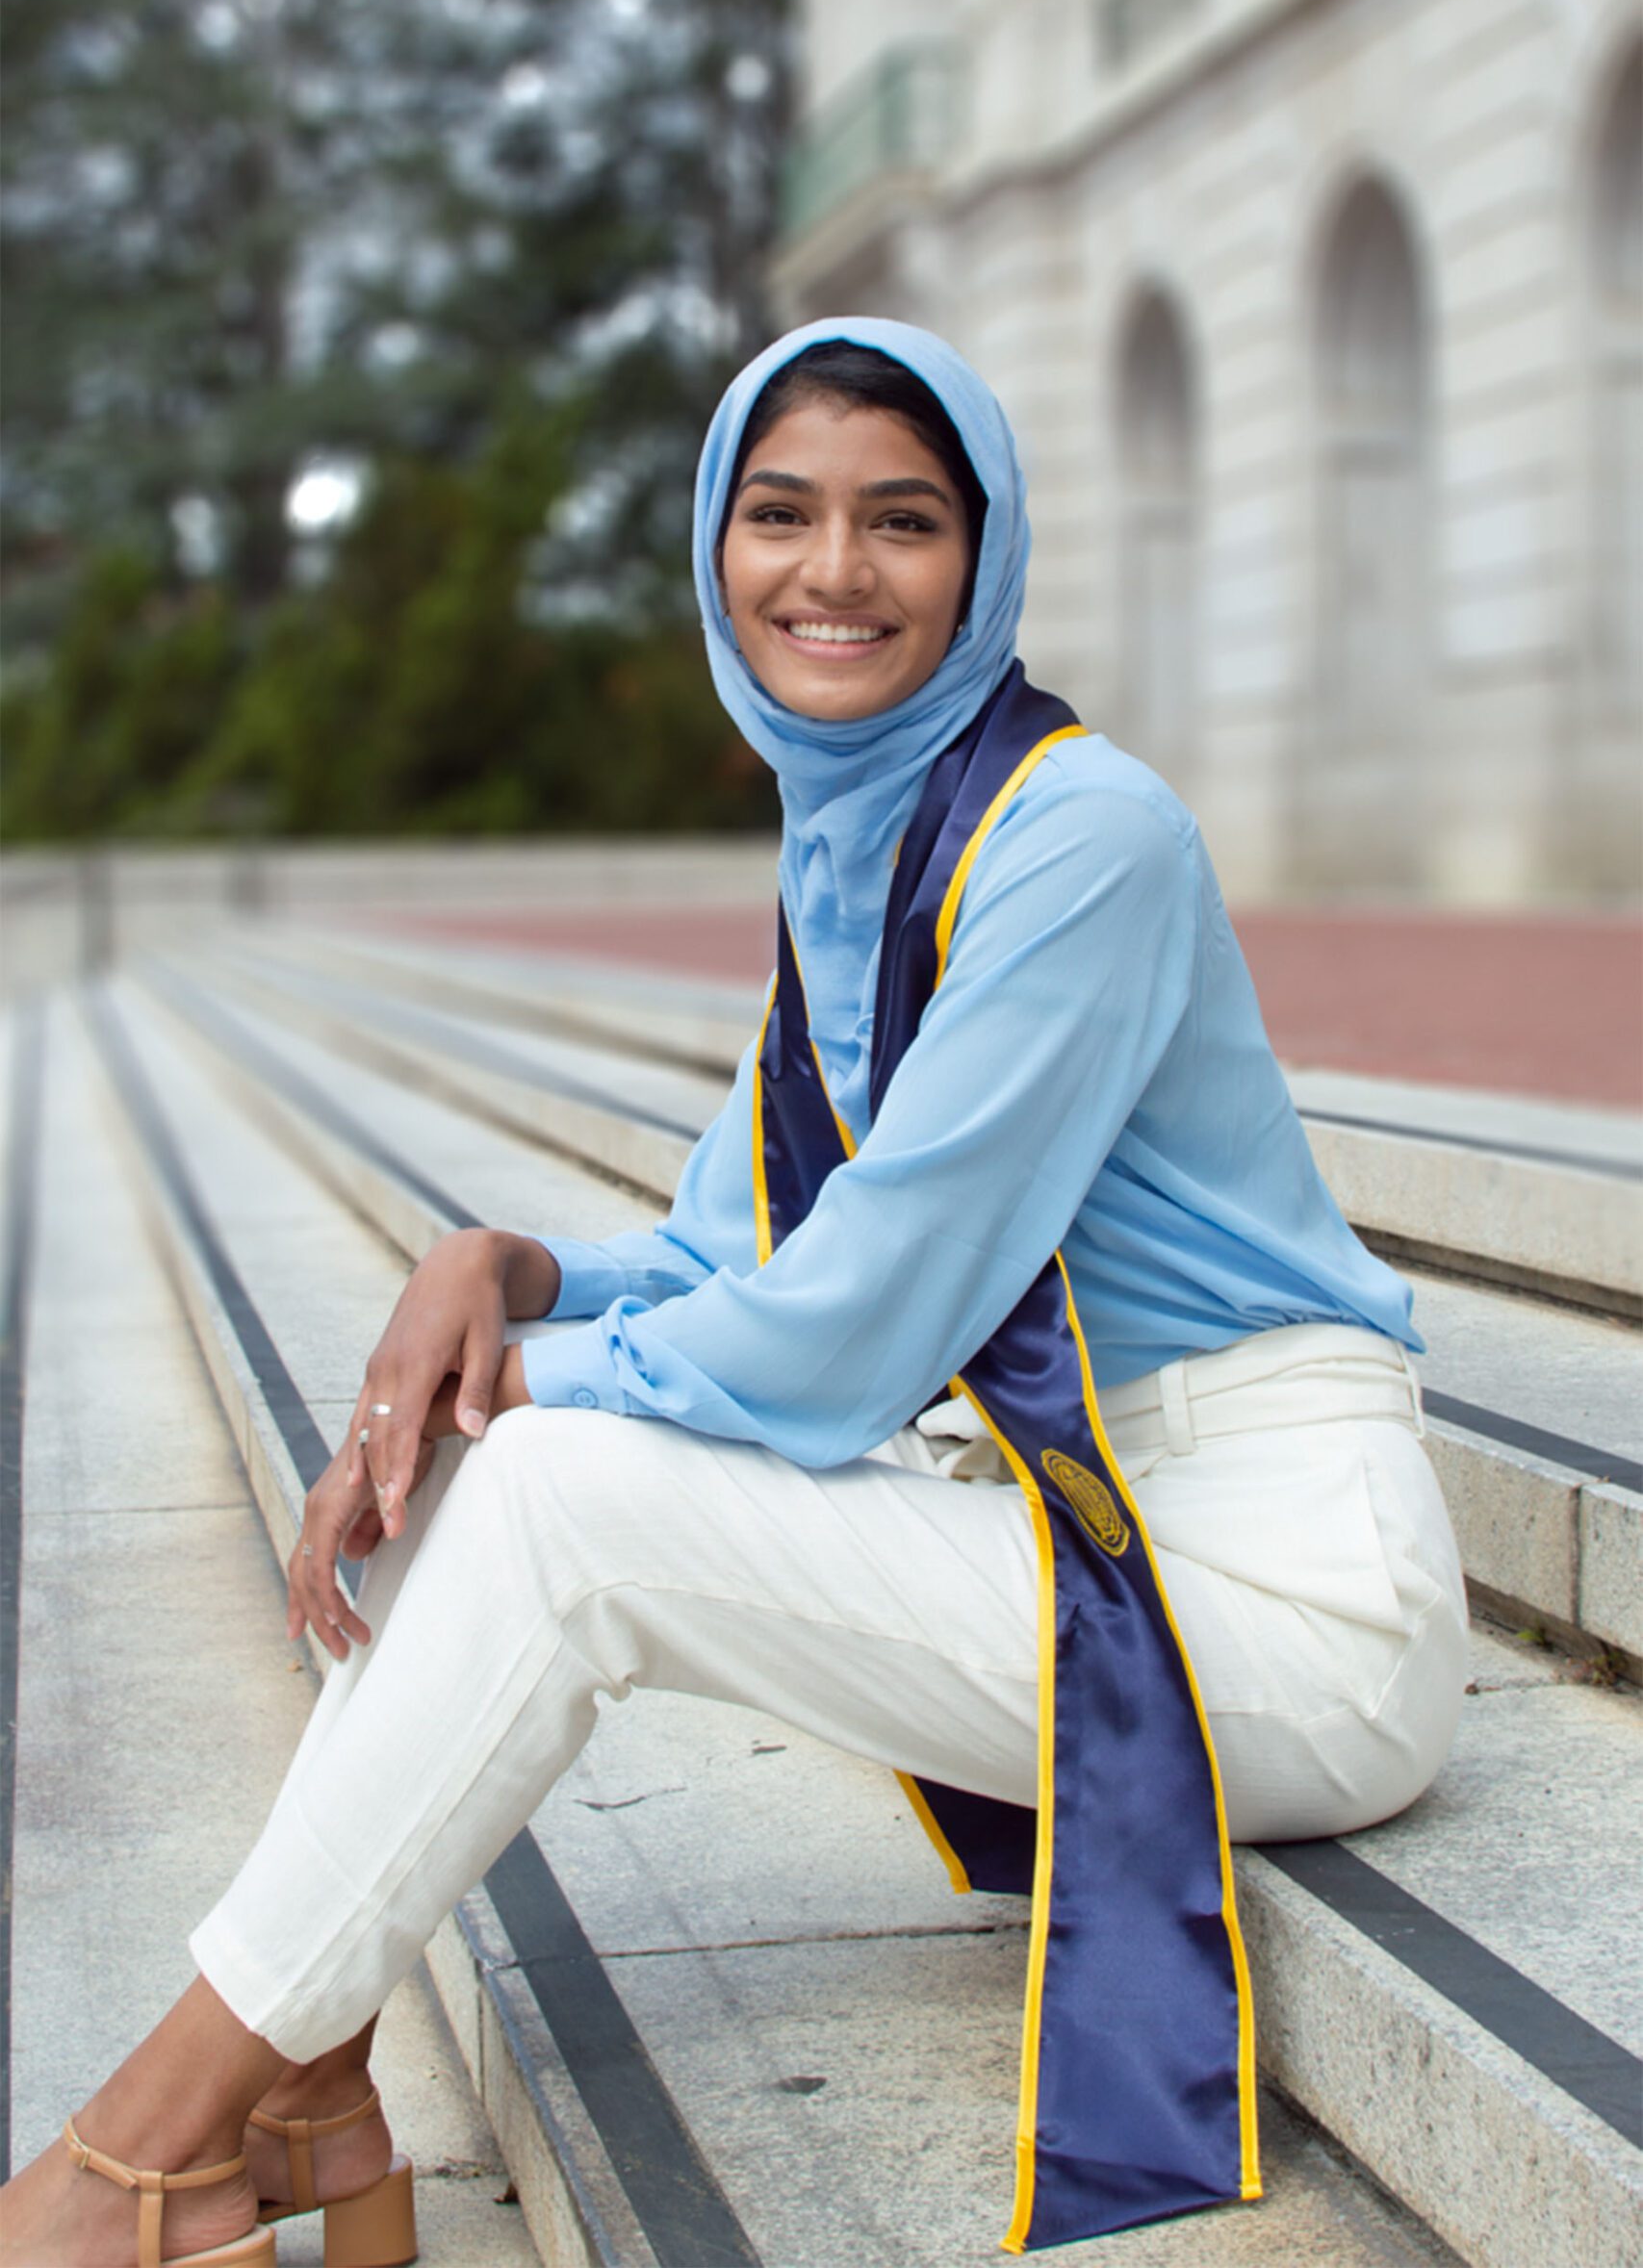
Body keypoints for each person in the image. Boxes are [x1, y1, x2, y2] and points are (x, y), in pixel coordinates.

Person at [1, 319, 1468, 2266]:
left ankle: (145, 2144)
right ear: (713, 545)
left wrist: (520, 1379)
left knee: (544, 1475)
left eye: (901, 520)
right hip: (1092, 1533)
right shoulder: (862, 833)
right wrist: (498, 1274)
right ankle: (308, 2075)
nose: (831, 572)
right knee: (490, 1426)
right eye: (778, 513)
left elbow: (855, 1320)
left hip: (1284, 1597)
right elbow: (731, 1249)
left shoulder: (1079, 836)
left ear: (984, 558)